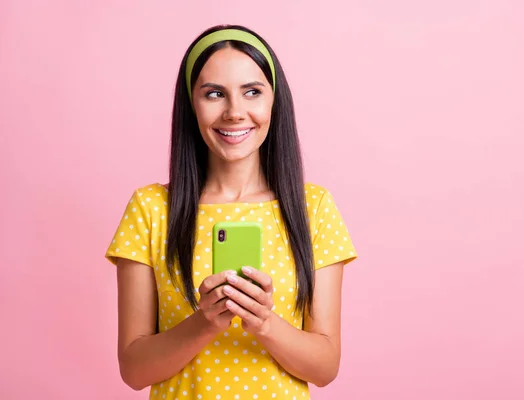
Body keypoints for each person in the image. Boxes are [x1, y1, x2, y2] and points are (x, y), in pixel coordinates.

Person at [105, 24, 357, 400]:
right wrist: (205, 322)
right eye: (214, 94)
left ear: (274, 101)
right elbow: (134, 370)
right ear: (192, 105)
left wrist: (265, 323)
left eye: (252, 92)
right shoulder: (151, 209)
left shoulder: (313, 209)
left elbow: (325, 368)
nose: (235, 112)